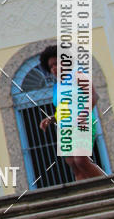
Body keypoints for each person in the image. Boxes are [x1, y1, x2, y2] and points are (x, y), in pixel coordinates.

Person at [39, 45, 106, 180]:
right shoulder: (57, 86)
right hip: (65, 128)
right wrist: (51, 119)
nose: (54, 69)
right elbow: (63, 109)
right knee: (73, 164)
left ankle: (111, 188)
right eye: (51, 67)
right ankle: (85, 195)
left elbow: (93, 96)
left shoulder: (77, 74)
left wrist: (84, 114)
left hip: (82, 123)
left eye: (56, 64)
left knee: (81, 160)